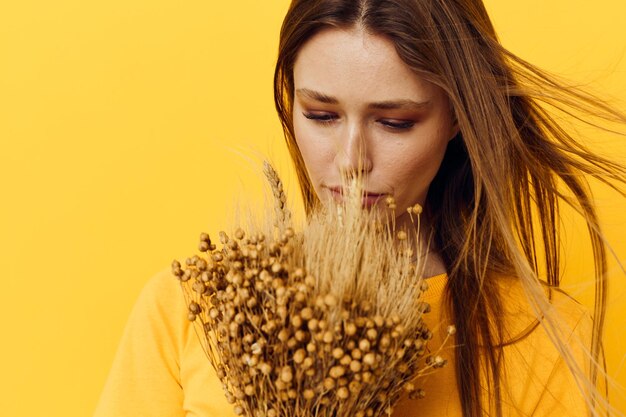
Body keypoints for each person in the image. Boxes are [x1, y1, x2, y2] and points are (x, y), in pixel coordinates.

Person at [94, 1, 626, 416]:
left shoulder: (542, 334)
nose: (351, 161)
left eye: (394, 122)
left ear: (458, 116)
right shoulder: (191, 307)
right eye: (321, 114)